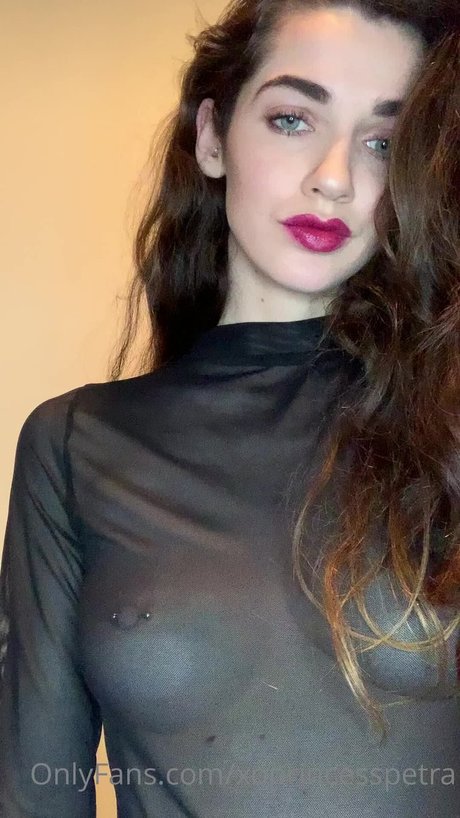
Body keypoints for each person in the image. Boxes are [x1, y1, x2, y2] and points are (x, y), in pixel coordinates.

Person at [0, 0, 459, 815]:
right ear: (212, 136)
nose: (334, 176)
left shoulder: (446, 430)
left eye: (383, 142)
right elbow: (35, 795)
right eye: (293, 119)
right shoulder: (77, 446)